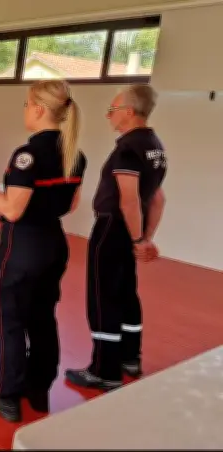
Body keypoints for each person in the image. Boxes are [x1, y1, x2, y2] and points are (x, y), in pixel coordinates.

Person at [0, 80, 87, 422]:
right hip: (53, 243)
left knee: (9, 319)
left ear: (38, 109)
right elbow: (71, 204)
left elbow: (12, 210)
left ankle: (6, 393)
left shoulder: (27, 155)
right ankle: (38, 387)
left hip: (23, 247)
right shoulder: (75, 153)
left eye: (25, 103)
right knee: (42, 317)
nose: (23, 110)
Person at [65, 85, 166, 391]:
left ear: (129, 112)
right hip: (129, 231)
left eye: (113, 108)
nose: (109, 115)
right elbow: (158, 198)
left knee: (103, 297)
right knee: (125, 294)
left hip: (112, 229)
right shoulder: (154, 146)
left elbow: (129, 200)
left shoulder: (128, 148)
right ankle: (129, 359)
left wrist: (137, 241)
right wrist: (145, 237)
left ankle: (104, 371)